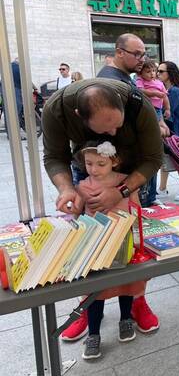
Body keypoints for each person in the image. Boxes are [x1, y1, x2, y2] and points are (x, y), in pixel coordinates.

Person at [42, 78, 162, 341]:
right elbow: (54, 156)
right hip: (87, 171)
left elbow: (154, 158)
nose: (112, 135)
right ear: (79, 117)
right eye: (105, 130)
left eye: (118, 126)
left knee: (130, 249)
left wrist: (120, 191)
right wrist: (67, 189)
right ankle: (88, 306)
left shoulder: (138, 105)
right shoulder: (56, 111)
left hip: (128, 179)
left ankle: (136, 301)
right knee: (88, 253)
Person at [74, 141, 142, 360]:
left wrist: (138, 237)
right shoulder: (83, 186)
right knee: (96, 290)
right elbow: (77, 213)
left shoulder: (125, 182)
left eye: (101, 164)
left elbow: (136, 208)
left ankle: (125, 319)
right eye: (89, 163)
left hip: (123, 242)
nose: (94, 169)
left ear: (115, 161)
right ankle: (93, 333)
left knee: (126, 284)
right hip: (95, 246)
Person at [97, 33, 159, 208]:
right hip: (125, 169)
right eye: (137, 54)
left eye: (144, 54)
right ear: (119, 52)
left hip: (131, 167)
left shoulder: (122, 77)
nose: (142, 59)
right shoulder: (112, 81)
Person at [156, 61, 179, 201]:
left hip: (175, 131)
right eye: (158, 71)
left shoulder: (175, 91)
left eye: (161, 71)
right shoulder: (164, 90)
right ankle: (163, 188)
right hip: (169, 131)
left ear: (169, 73)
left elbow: (168, 113)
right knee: (165, 160)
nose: (157, 74)